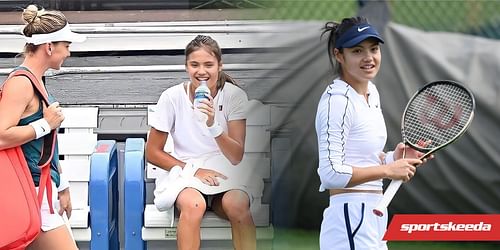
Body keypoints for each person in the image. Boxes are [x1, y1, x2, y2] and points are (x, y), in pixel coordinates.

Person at [315, 16, 431, 250]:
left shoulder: (372, 93)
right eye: (357, 51)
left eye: (374, 49)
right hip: (350, 215)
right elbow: (330, 174)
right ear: (340, 55)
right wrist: (388, 170)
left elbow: (363, 158)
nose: (369, 58)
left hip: (374, 212)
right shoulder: (336, 103)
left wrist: (394, 159)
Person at [146, 35, 257, 250]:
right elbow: (152, 152)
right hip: (186, 172)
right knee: (194, 205)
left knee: (238, 205)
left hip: (225, 173)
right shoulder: (172, 97)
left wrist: (213, 124)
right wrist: (193, 170)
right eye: (194, 65)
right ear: (186, 67)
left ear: (220, 66)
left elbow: (236, 155)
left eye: (209, 65)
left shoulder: (234, 96)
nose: (202, 71)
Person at [0, 4, 86, 250]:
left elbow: (44, 145)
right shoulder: (22, 84)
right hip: (29, 192)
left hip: (40, 190)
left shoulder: (34, 79)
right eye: (66, 46)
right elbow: (1, 136)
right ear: (49, 47)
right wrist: (45, 124)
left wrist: (62, 185)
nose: (68, 53)